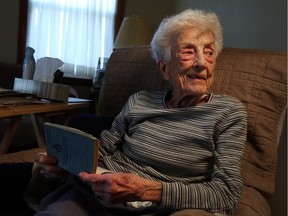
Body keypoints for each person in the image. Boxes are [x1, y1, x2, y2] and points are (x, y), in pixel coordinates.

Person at [25, 9, 247, 216]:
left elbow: (227, 193)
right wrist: (64, 164)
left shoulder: (228, 112)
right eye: (189, 52)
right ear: (164, 68)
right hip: (96, 190)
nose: (201, 63)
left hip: (154, 206)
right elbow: (102, 149)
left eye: (209, 53)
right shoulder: (139, 101)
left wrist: (147, 191)